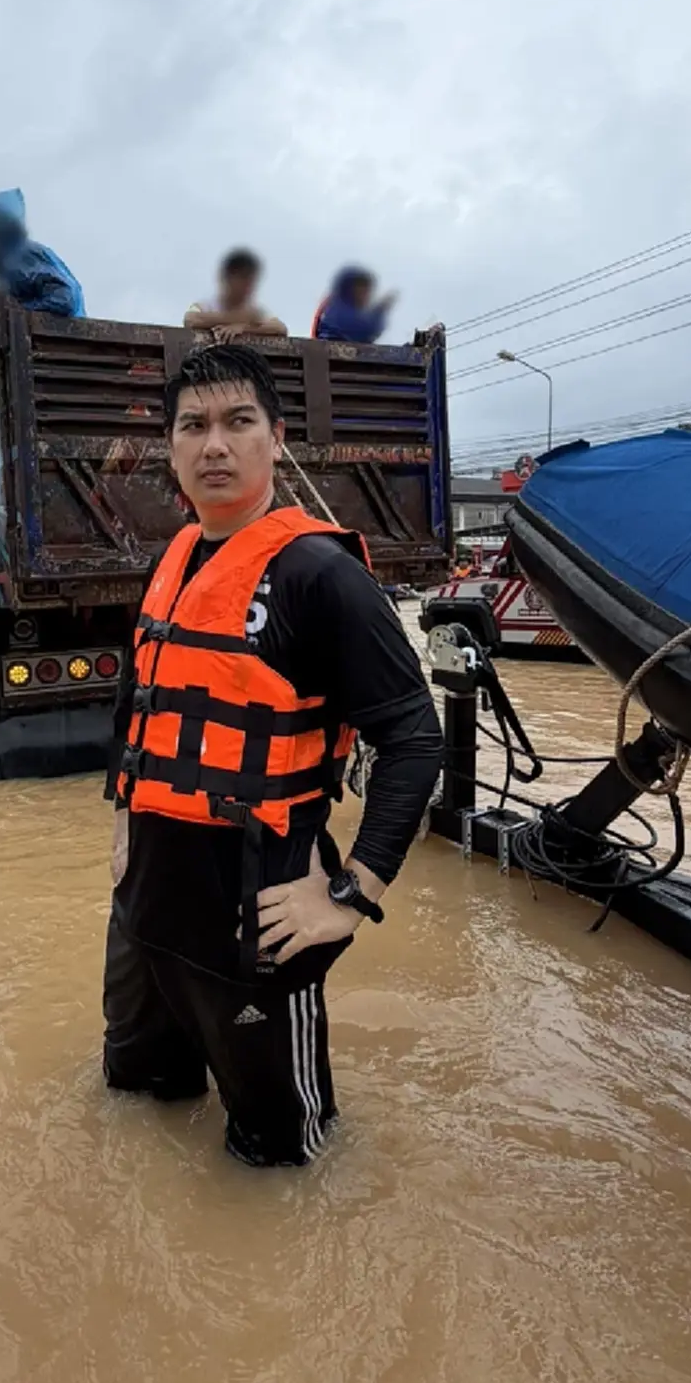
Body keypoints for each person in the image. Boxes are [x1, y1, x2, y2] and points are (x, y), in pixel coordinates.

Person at [102, 343, 444, 1167]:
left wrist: (351, 893)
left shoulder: (319, 576)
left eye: (237, 422)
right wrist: (121, 818)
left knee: (280, 1165)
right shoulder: (172, 562)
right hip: (144, 912)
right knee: (134, 1104)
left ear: (276, 438)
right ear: (173, 448)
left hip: (259, 924)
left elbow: (415, 737)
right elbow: (138, 699)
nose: (214, 444)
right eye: (194, 426)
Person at [0, 189, 86, 317]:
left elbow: (65, 298)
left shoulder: (18, 257)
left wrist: (19, 312)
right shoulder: (8, 264)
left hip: (59, 334)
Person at [185, 249, 288, 343]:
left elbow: (280, 328)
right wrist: (239, 319)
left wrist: (243, 328)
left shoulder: (254, 310)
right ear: (228, 278)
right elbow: (190, 320)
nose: (247, 286)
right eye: (242, 278)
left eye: (250, 281)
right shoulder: (207, 306)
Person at [312, 266, 397, 343]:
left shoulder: (344, 308)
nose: (366, 296)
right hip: (331, 354)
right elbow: (363, 332)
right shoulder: (336, 308)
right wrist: (380, 310)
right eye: (363, 291)